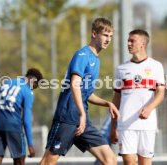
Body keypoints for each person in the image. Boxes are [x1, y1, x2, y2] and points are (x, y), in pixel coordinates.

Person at [39, 17, 120, 165]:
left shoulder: (96, 60)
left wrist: (107, 103)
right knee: (48, 162)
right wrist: (82, 114)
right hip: (67, 118)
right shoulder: (82, 55)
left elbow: (86, 93)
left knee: (110, 159)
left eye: (110, 36)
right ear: (94, 34)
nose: (108, 39)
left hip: (82, 121)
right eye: (105, 35)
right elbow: (74, 85)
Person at [110, 29, 165, 165]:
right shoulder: (121, 69)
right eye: (128, 40)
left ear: (142, 43)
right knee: (129, 162)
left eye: (132, 41)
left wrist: (149, 108)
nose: (128, 43)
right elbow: (116, 99)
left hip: (147, 125)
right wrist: (113, 127)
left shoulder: (156, 66)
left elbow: (161, 93)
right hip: (126, 125)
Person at [0, 68, 43, 165]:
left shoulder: (6, 83)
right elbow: (26, 119)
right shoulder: (27, 90)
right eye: (34, 87)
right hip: (13, 125)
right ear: (33, 81)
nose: (33, 89)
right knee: (20, 159)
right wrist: (30, 144)